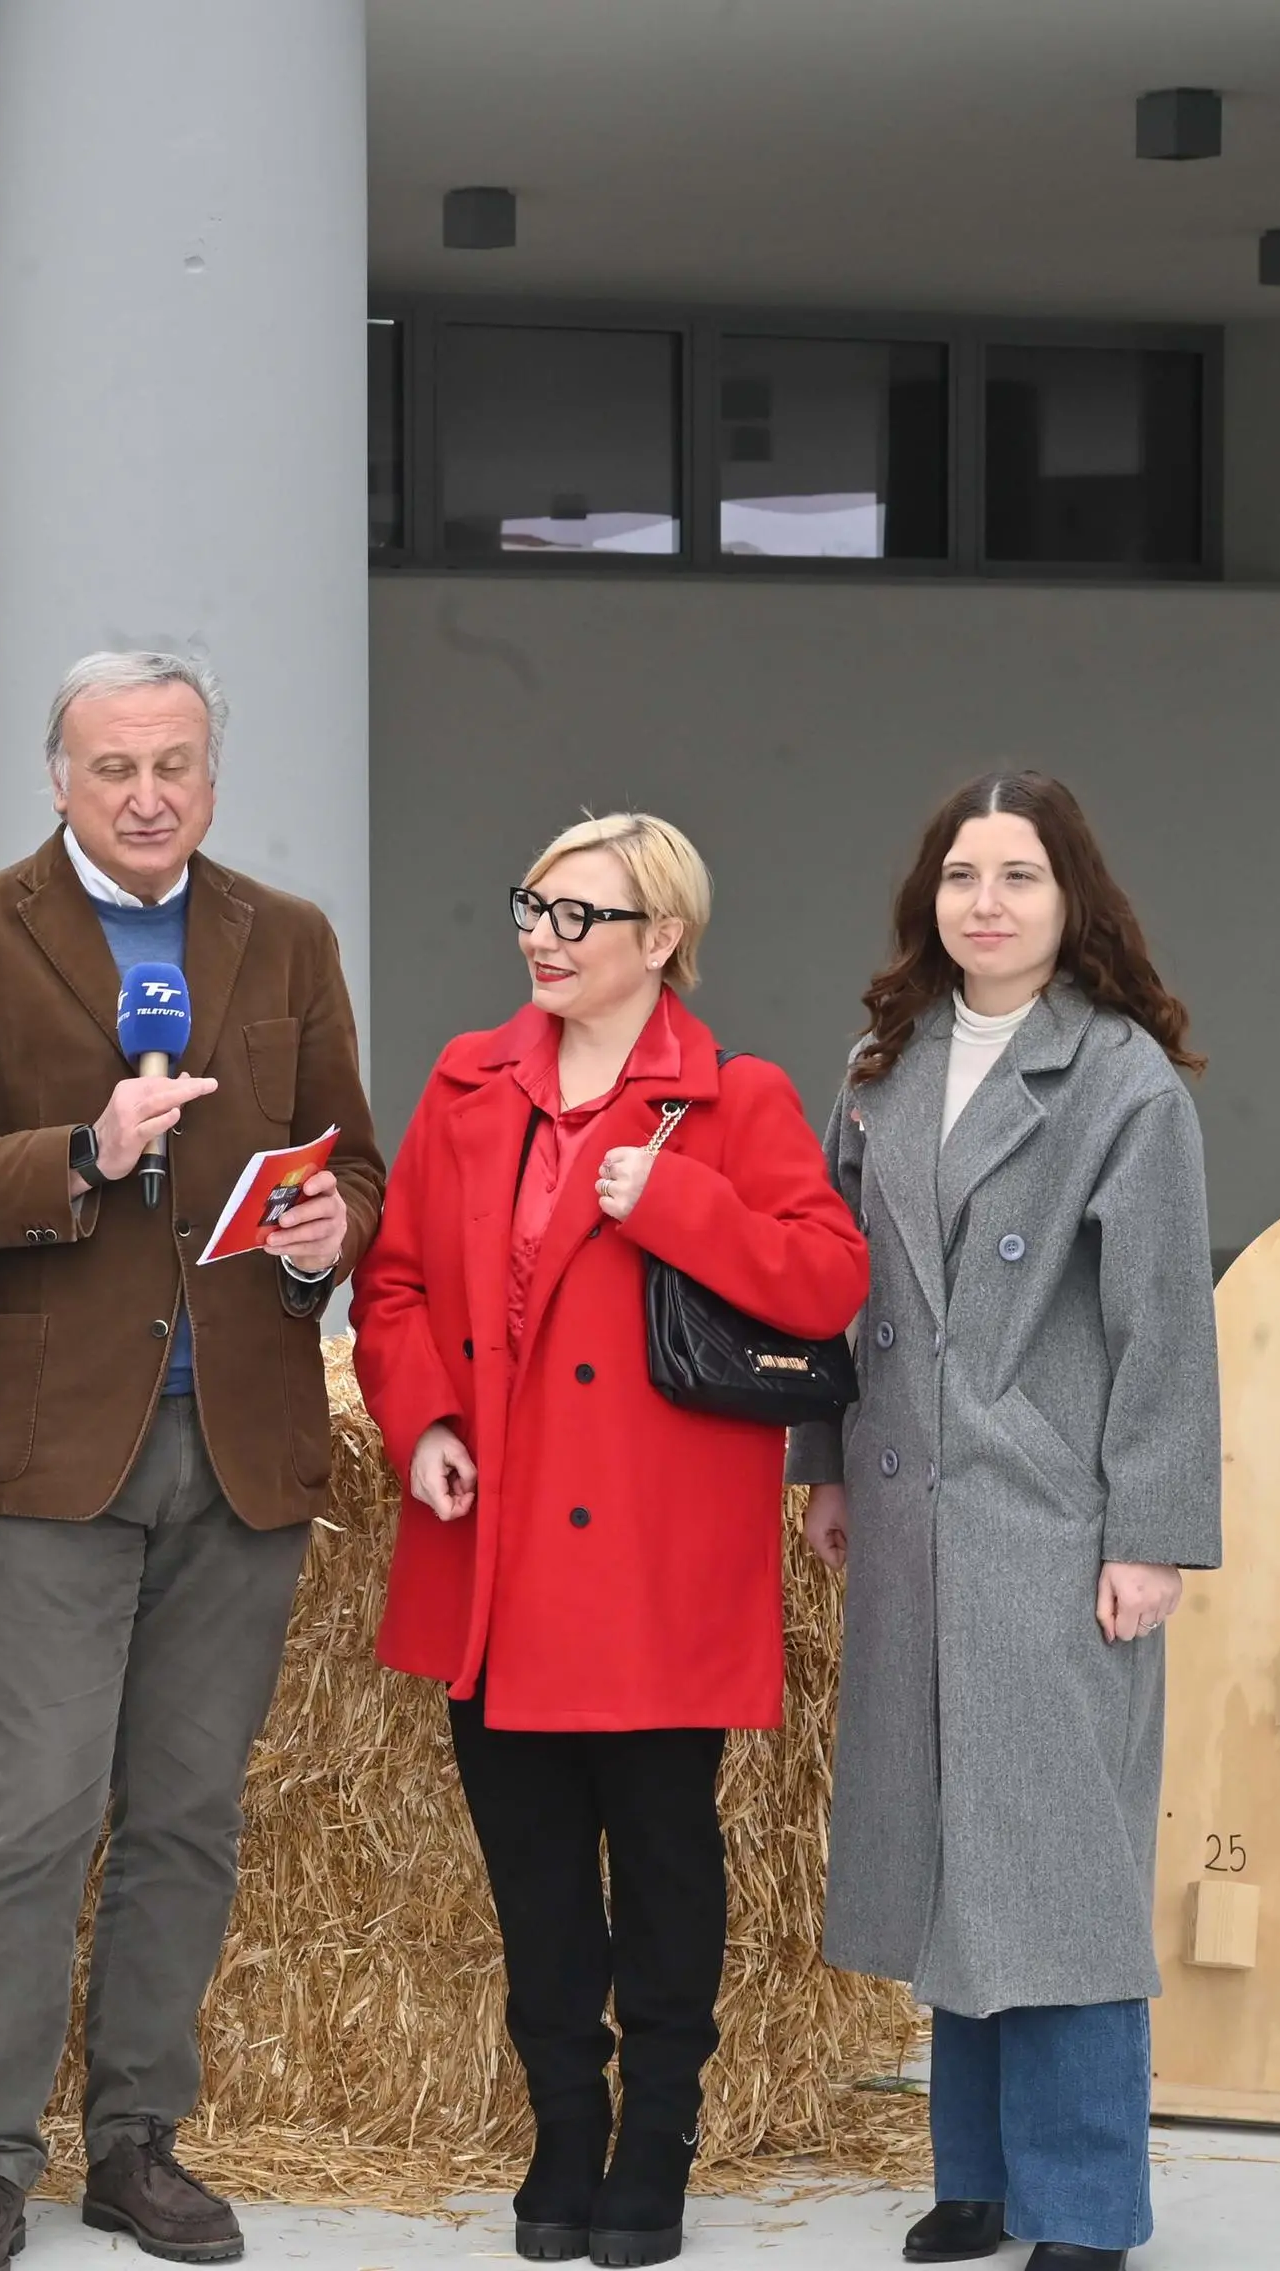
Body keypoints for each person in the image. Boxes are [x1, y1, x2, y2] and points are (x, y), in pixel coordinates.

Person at [0, 650, 384, 2271]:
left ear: (211, 782)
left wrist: (329, 1229)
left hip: (239, 1436)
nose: (147, 793)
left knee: (184, 1811)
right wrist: (80, 1155)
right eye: (114, 768)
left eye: (173, 765)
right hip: (43, 1449)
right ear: (59, 779)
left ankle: (138, 2139)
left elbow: (354, 1152)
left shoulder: (284, 934)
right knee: (36, 1808)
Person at [352, 813, 868, 2267]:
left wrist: (682, 1204)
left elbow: (830, 1281)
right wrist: (423, 1425)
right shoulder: (467, 1083)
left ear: (662, 942)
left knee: (658, 1855)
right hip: (493, 1554)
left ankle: (658, 2142)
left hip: (652, 1556)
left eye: (584, 916)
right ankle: (563, 2132)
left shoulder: (734, 1098)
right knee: (528, 1870)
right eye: (535, 903)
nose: (545, 935)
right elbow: (391, 1292)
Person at [793, 772, 1220, 2271]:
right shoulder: (880, 1067)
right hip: (910, 1505)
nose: (985, 900)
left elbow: (1163, 1321)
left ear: (1070, 901)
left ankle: (1084, 2207)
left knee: (1055, 1864)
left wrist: (1151, 1531)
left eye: (1018, 875)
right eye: (961, 874)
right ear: (930, 900)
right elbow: (831, 1289)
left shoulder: (1119, 1081)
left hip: (1050, 1514)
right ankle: (971, 2177)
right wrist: (824, 1463)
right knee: (938, 1843)